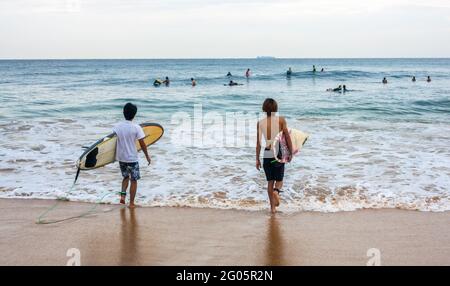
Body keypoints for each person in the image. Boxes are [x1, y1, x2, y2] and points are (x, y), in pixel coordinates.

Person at [256, 98, 293, 214]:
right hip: (278, 151)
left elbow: (258, 143)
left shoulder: (260, 123)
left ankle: (272, 208)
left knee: (270, 181)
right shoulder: (281, 120)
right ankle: (276, 192)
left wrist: (257, 159)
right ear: (275, 108)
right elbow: (287, 137)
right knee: (279, 180)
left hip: (267, 152)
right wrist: (291, 152)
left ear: (264, 108)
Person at [113, 103, 151, 208]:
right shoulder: (136, 127)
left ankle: (122, 197)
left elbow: (111, 142)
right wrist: (147, 156)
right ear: (134, 115)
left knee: (125, 177)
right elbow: (142, 144)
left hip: (121, 158)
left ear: (123, 113)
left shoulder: (117, 126)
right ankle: (131, 203)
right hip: (132, 158)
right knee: (133, 180)